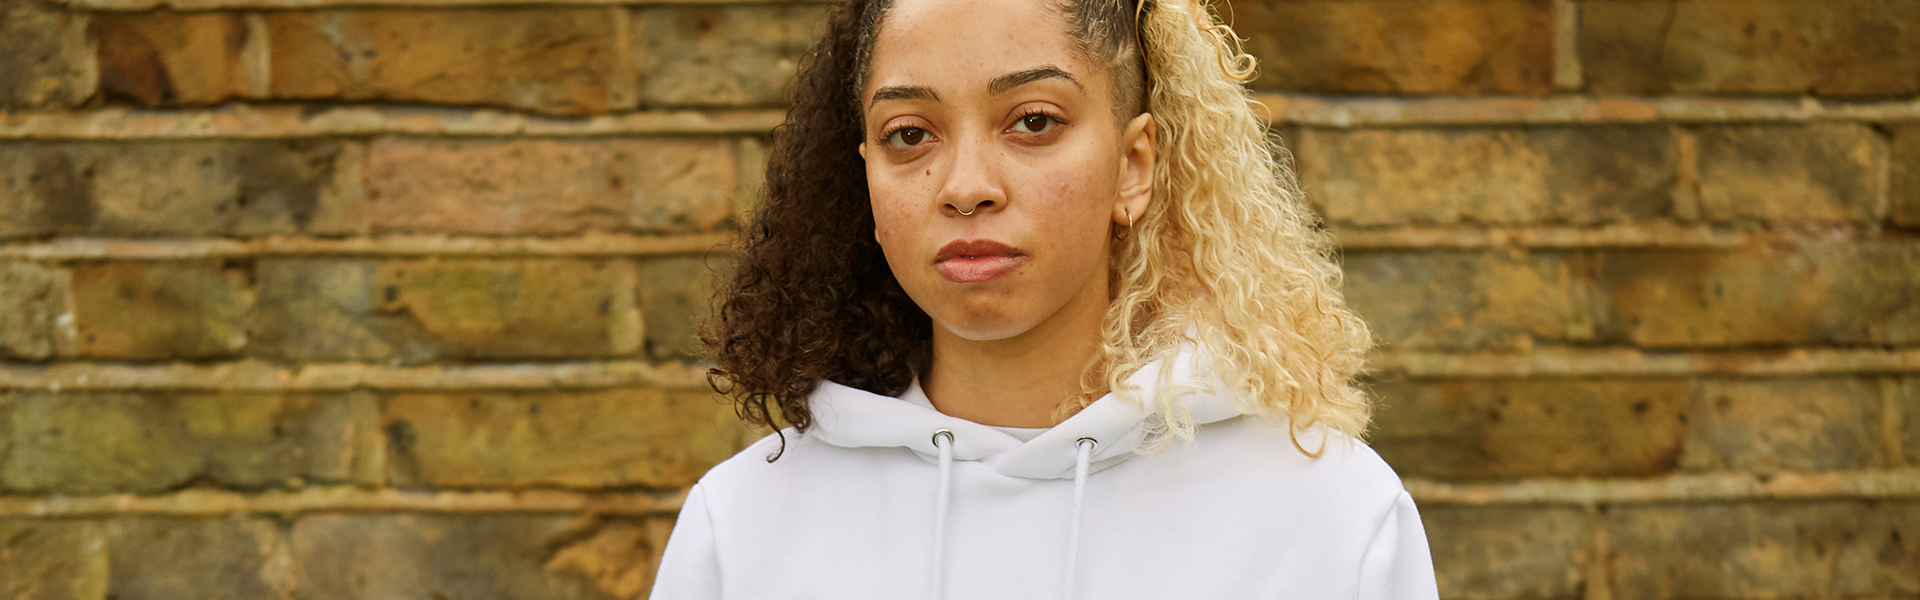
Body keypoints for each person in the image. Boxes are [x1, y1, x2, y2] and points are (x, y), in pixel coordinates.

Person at [648, 0, 1439, 595]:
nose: (965, 187)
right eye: (910, 134)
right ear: (867, 179)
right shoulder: (743, 528)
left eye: (1032, 121)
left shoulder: (1327, 516)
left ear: (1133, 165)